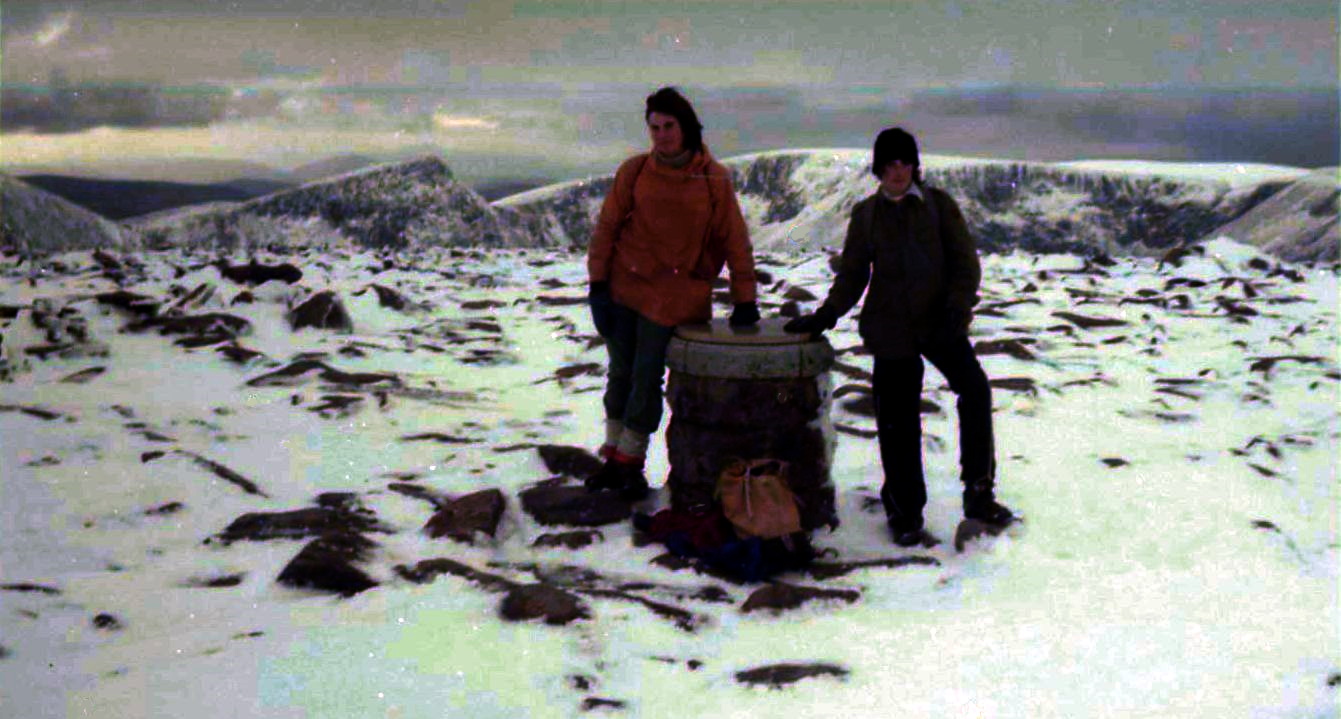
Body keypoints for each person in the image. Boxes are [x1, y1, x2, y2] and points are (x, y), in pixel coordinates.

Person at [784, 127, 1015, 547]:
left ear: (914, 165)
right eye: (889, 163)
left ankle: (979, 493)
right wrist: (827, 314)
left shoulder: (939, 207)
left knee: (975, 391)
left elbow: (966, 266)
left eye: (904, 162)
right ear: (878, 168)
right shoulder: (867, 215)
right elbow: (853, 275)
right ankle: (905, 511)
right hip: (891, 328)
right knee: (898, 422)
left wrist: (956, 308)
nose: (897, 170)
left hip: (940, 323)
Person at [586, 86, 760, 500]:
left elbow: (734, 239)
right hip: (624, 285)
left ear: (686, 127)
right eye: (654, 127)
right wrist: (597, 285)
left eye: (669, 126)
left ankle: (629, 462)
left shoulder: (713, 177)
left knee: (645, 378)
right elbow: (607, 228)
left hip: (675, 296)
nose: (662, 135)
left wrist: (745, 298)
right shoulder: (635, 171)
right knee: (620, 375)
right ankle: (613, 458)